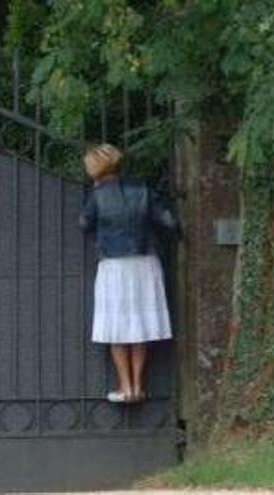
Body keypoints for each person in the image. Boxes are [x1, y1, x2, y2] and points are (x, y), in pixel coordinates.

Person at [79, 144, 180, 404]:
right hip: (145, 262)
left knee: (117, 326)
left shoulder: (97, 195)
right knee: (139, 325)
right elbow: (168, 222)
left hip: (114, 265)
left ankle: (125, 388)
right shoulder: (142, 189)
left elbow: (84, 223)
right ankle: (138, 386)